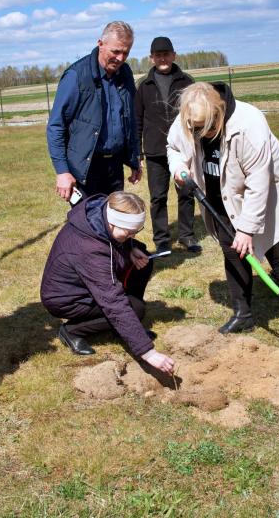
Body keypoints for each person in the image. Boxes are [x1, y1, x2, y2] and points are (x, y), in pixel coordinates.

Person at [168, 82, 279, 346]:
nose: (203, 134)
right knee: (232, 251)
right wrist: (178, 167)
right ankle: (243, 314)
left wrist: (247, 229)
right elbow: (173, 147)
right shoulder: (190, 116)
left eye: (209, 127)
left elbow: (259, 181)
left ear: (219, 111)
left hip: (264, 194)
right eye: (196, 129)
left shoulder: (249, 123)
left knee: (278, 254)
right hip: (220, 193)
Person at [40, 191, 175, 375]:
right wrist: (148, 352)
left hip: (87, 285)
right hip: (67, 299)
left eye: (136, 232)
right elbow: (112, 301)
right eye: (129, 233)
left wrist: (131, 248)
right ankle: (72, 330)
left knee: (143, 259)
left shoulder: (102, 217)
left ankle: (123, 326)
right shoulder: (89, 249)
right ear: (112, 222)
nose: (133, 236)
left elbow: (114, 241)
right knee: (135, 310)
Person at [47, 21, 142, 202]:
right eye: (116, 51)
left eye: (126, 52)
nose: (120, 58)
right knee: (88, 223)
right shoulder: (76, 76)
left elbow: (130, 119)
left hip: (114, 166)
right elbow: (56, 126)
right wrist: (62, 172)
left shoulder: (125, 74)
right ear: (101, 44)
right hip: (85, 166)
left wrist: (134, 157)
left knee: (113, 221)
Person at [135, 36, 200, 254]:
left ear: (174, 55)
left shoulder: (187, 82)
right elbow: (138, 120)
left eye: (166, 54)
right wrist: (138, 152)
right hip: (154, 151)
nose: (162, 58)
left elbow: (196, 115)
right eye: (158, 55)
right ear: (151, 58)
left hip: (182, 149)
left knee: (186, 193)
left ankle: (187, 236)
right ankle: (162, 240)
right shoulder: (143, 86)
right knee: (158, 197)